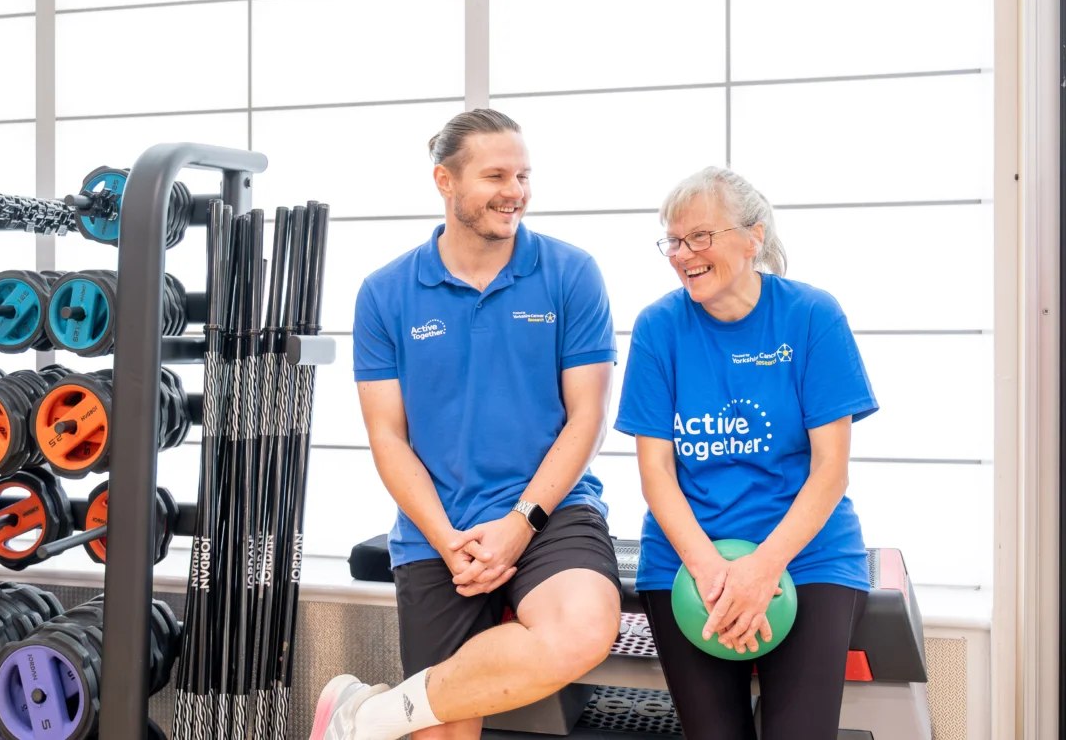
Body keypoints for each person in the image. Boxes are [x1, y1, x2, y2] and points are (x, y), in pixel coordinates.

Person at [308, 109, 622, 740]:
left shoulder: (570, 273)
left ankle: (367, 716)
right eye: (497, 175)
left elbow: (588, 418)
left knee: (583, 629)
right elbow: (388, 436)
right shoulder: (386, 292)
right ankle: (388, 714)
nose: (516, 191)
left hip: (550, 512)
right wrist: (447, 538)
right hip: (436, 528)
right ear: (444, 182)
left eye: (524, 175)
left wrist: (519, 523)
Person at [614, 166, 878, 739]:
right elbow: (656, 472)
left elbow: (830, 469)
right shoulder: (658, 327)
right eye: (674, 241)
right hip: (689, 562)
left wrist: (762, 570)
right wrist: (715, 575)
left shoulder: (811, 316)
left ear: (754, 236)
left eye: (700, 236)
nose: (684, 254)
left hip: (806, 556)